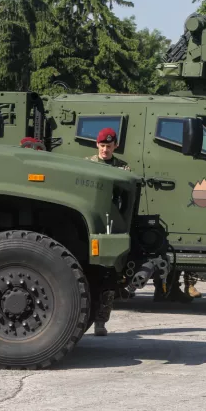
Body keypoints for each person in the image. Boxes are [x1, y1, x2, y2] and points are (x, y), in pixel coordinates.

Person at [85, 127, 129, 336]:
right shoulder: (87, 165)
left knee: (108, 279)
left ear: (115, 146)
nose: (105, 150)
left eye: (109, 146)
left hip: (112, 226)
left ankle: (101, 322)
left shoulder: (122, 168)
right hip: (91, 225)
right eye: (102, 146)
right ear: (97, 145)